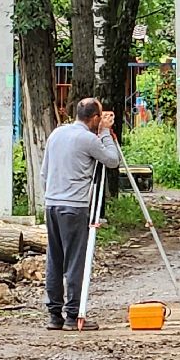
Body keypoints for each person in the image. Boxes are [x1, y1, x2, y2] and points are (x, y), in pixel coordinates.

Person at [41, 97, 121, 331]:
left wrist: (50, 195)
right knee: (75, 261)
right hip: (74, 207)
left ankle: (54, 314)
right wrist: (105, 133)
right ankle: (73, 315)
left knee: (54, 259)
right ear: (95, 118)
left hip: (52, 204)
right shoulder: (88, 139)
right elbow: (112, 160)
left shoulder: (57, 134)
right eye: (100, 117)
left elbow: (44, 172)